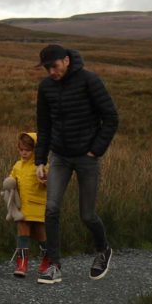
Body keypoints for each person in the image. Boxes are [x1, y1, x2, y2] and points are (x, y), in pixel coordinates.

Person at [33, 44, 118, 284]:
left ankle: (103, 250)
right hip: (59, 157)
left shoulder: (89, 80)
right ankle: (54, 265)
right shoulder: (46, 87)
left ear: (67, 60)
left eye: (54, 66)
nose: (51, 72)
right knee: (51, 209)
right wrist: (40, 160)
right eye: (47, 68)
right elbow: (44, 126)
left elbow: (111, 117)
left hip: (86, 158)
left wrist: (95, 150)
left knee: (87, 215)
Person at [2, 131, 47, 278]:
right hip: (22, 206)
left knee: (40, 233)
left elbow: (47, 181)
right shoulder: (18, 165)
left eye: (27, 150)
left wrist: (44, 180)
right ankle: (22, 264)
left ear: (35, 150)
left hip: (38, 205)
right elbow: (12, 178)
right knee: (22, 230)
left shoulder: (41, 165)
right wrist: (9, 182)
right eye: (21, 150)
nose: (24, 153)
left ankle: (47, 257)